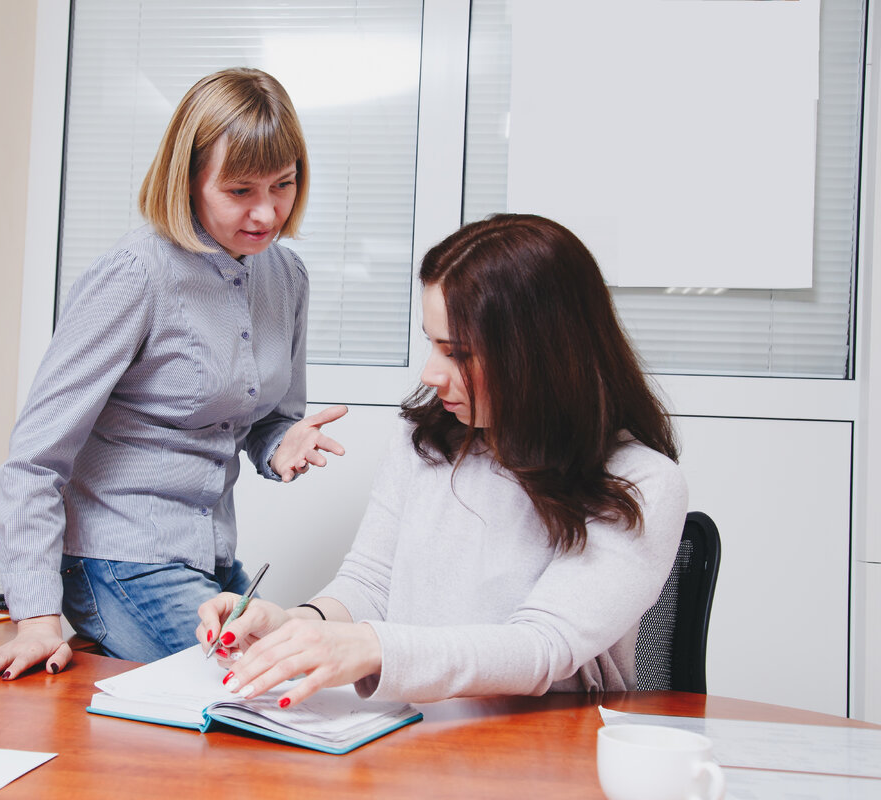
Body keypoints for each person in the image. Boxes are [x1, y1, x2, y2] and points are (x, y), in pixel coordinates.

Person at [196, 213, 688, 708]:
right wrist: (293, 625)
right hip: (406, 733)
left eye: (459, 353)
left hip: (535, 755)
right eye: (433, 343)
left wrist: (371, 648)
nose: (431, 373)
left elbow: (542, 647)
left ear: (540, 356)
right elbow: (371, 582)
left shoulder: (642, 483)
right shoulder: (426, 439)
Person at [0, 67, 346, 680]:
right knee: (251, 686)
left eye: (284, 185)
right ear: (188, 179)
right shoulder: (135, 275)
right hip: (116, 557)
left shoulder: (287, 278)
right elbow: (34, 459)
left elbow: (262, 419)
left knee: (297, 672)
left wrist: (281, 444)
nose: (267, 212)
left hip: (212, 561)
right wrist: (36, 616)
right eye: (240, 190)